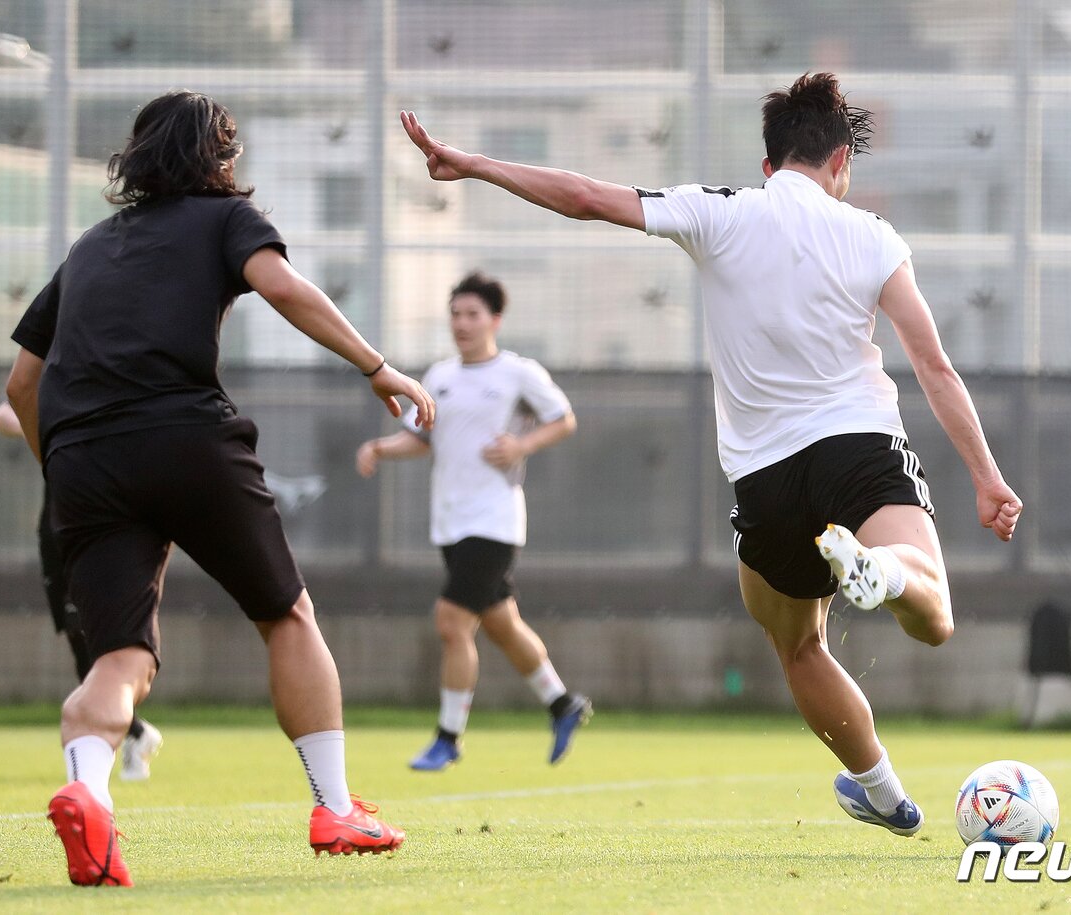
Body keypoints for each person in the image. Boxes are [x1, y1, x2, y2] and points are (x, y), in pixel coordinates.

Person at [399, 71, 1022, 837]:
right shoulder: (872, 236)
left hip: (764, 478)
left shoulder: (719, 211)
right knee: (933, 616)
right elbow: (933, 365)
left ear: (768, 166)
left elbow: (587, 195)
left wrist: (475, 164)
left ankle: (885, 793)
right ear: (839, 166)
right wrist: (987, 478)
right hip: (857, 451)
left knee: (800, 646)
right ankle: (887, 569)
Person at [6, 91, 434, 886]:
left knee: (121, 656)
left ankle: (88, 790)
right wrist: (379, 366)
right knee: (285, 612)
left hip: (82, 462)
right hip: (185, 438)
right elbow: (282, 286)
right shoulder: (224, 218)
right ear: (220, 160)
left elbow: (23, 378)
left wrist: (58, 467)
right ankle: (337, 806)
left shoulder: (89, 249)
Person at [355, 272, 591, 771]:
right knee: (502, 624)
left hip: (495, 520)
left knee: (451, 621)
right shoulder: (439, 377)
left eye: (472, 314)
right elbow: (420, 439)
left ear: (495, 320)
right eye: (456, 314)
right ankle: (561, 703)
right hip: (450, 522)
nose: (462, 324)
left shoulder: (517, 373)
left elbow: (564, 418)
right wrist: (379, 447)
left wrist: (521, 445)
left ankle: (448, 737)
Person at [0, 401, 164, 781]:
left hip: (106, 517)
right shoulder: (56, 372)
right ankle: (133, 732)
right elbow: (7, 411)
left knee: (106, 636)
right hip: (58, 521)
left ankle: (115, 737)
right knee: (77, 637)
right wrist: (44, 422)